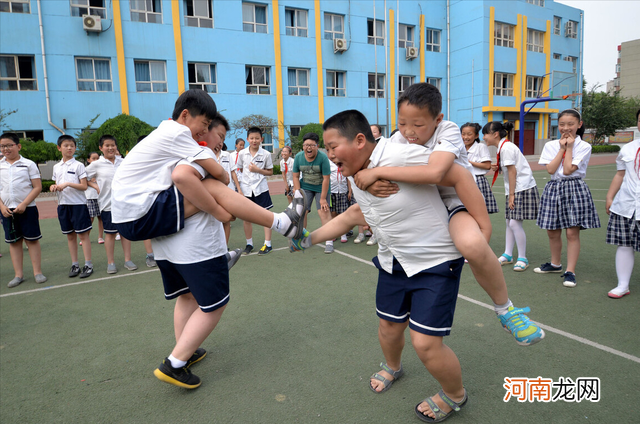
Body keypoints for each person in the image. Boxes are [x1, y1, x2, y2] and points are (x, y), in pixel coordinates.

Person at [292, 110, 468, 422]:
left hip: (435, 260)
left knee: (425, 343)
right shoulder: (356, 173)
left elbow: (453, 173)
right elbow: (354, 216)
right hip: (393, 261)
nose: (328, 155)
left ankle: (455, 394)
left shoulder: (402, 154)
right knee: (388, 326)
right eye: (326, 149)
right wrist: (308, 239)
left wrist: (478, 225)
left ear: (360, 140)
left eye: (332, 147)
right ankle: (393, 367)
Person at [354, 83, 544, 347]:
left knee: (473, 244)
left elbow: (436, 173)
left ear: (438, 119)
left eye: (418, 125)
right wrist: (373, 179)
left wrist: (376, 174)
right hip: (421, 207)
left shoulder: (449, 130)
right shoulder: (397, 139)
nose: (409, 132)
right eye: (402, 123)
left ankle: (506, 310)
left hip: (453, 203)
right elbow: (367, 165)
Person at [534, 109, 601, 287]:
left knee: (572, 232)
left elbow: (567, 170)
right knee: (552, 230)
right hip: (554, 187)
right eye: (562, 124)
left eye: (571, 124)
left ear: (579, 125)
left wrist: (569, 148)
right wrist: (562, 149)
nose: (566, 128)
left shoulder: (584, 146)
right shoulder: (550, 145)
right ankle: (555, 264)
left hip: (574, 187)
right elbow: (550, 169)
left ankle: (570, 271)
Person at [483, 121, 540, 273]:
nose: (484, 137)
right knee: (509, 222)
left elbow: (512, 172)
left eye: (486, 134)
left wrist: (512, 195)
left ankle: (522, 258)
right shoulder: (504, 147)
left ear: (495, 134)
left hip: (521, 188)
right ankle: (508, 254)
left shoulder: (506, 148)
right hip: (517, 188)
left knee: (514, 223)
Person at [0, 132, 47, 288]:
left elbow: (37, 187)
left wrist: (25, 203)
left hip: (27, 209)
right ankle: (18, 275)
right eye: (2, 146)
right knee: (14, 242)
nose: (6, 149)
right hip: (7, 210)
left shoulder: (28, 164)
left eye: (9, 145)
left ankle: (37, 272)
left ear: (18, 146)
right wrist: (2, 206)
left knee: (32, 240)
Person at [86, 135, 138, 274]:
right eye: (107, 145)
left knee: (125, 233)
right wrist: (94, 186)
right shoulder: (96, 164)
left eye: (113, 145)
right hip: (107, 204)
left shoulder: (123, 162)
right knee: (109, 234)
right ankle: (111, 262)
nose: (110, 148)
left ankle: (128, 260)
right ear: (101, 148)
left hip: (124, 203)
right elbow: (82, 178)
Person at [604, 108, 640, 299]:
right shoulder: (628, 148)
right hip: (625, 206)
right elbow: (620, 174)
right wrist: (610, 196)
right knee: (624, 245)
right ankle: (623, 285)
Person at [51, 135, 93, 278]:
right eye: (66, 145)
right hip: (63, 206)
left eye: (72, 146)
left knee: (83, 235)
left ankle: (88, 265)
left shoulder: (78, 165)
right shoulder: (56, 167)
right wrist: (54, 186)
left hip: (78, 205)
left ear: (75, 148)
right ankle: (75, 264)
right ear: (59, 148)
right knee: (70, 236)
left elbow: (84, 186)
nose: (69, 148)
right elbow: (56, 183)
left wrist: (68, 184)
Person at [235, 127, 275, 256]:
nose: (254, 140)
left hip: (261, 189)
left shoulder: (266, 154)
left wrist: (258, 170)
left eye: (257, 138)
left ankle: (268, 244)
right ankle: (249, 244)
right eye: (251, 138)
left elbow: (270, 172)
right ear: (247, 139)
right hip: (246, 190)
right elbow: (240, 169)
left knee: (266, 216)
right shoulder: (242, 154)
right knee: (246, 218)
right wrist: (241, 188)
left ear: (261, 139)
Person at [292, 132, 334, 253]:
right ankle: (302, 238)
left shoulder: (323, 158)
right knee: (302, 211)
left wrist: (323, 198)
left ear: (317, 145)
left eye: (311, 145)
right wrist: (298, 192)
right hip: (305, 186)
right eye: (306, 145)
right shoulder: (299, 157)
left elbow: (326, 178)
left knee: (323, 212)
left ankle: (329, 241)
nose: (308, 148)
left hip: (321, 187)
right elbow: (295, 176)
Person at [207, 115, 234, 245]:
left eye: (223, 138)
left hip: (224, 192)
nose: (221, 142)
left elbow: (230, 174)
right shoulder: (200, 154)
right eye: (220, 136)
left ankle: (224, 248)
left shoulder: (225, 155)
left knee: (226, 220)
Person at [461, 122, 499, 214]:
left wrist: (469, 162)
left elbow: (487, 166)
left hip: (478, 180)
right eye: (463, 134)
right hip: (463, 179)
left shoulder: (480, 147)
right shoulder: (460, 148)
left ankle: (481, 228)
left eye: (469, 134)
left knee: (479, 210)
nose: (465, 137)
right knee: (465, 209)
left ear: (476, 135)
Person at [328, 160, 352, 245]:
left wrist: (349, 191)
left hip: (342, 191)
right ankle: (335, 232)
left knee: (342, 213)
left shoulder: (343, 162)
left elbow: (348, 178)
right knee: (333, 212)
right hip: (332, 191)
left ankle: (343, 233)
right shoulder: (328, 163)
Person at [85, 152, 104, 245]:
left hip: (101, 196)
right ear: (88, 160)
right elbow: (84, 181)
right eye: (93, 158)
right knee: (91, 217)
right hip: (91, 197)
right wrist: (94, 184)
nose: (96, 160)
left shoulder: (101, 169)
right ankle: (85, 237)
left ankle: (100, 237)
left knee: (101, 218)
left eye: (97, 158)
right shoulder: (86, 170)